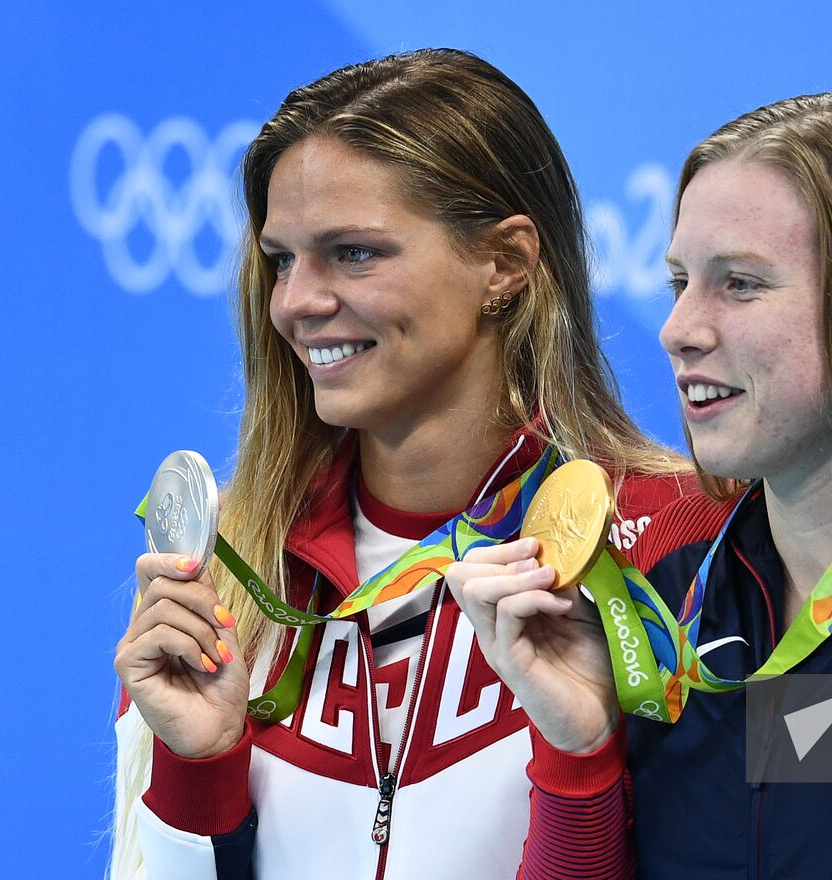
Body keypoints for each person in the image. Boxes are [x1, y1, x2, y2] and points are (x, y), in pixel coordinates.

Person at [449, 91, 832, 880]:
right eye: (680, 278)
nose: (679, 328)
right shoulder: (671, 607)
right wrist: (582, 748)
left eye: (741, 284)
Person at [110, 49, 692, 880]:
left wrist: (584, 759)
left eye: (354, 253)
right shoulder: (229, 567)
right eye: (282, 259)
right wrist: (195, 770)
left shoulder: (680, 539)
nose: (297, 302)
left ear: (506, 263)